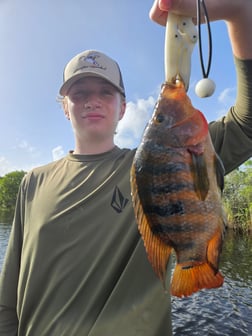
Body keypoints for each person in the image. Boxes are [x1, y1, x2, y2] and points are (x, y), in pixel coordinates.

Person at [0, 0, 252, 335]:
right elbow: (7, 297)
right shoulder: (32, 182)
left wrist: (238, 12)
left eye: (106, 91)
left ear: (123, 108)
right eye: (79, 92)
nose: (93, 99)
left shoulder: (152, 164)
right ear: (65, 108)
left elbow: (247, 123)